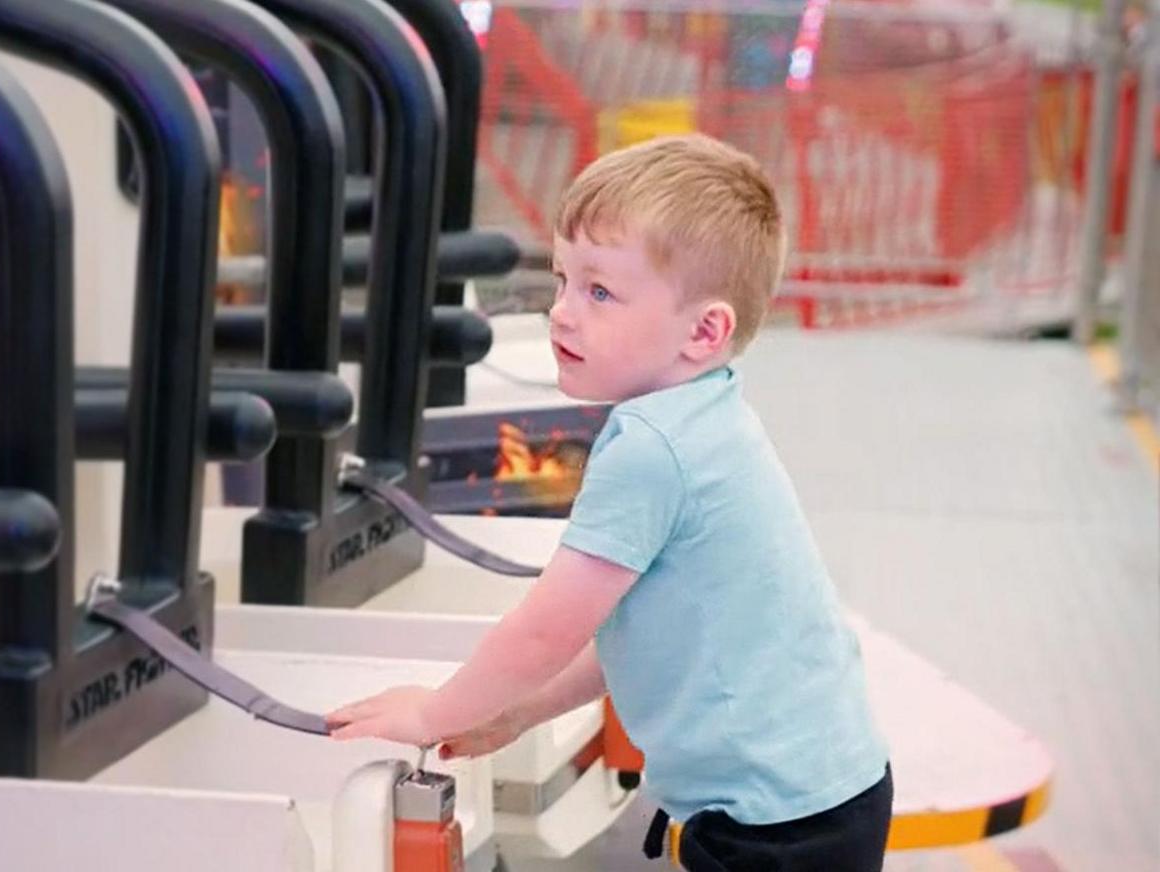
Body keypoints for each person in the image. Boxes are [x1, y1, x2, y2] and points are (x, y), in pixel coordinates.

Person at [326, 133, 892, 871]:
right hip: (821, 794)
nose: (562, 313)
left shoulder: (652, 450)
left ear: (705, 331)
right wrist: (516, 713)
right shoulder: (707, 415)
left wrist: (434, 712)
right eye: (563, 280)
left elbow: (546, 632)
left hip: (774, 827)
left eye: (599, 292)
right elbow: (632, 631)